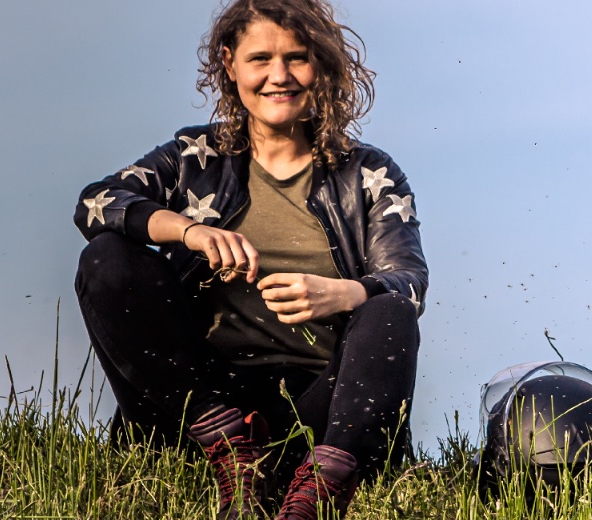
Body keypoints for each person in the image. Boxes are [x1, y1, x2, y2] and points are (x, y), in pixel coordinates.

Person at [70, 0, 423, 517]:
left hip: (319, 410)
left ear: (320, 66)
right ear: (230, 63)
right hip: (197, 403)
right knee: (105, 258)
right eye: (260, 59)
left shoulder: (368, 172)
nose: (278, 76)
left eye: (296, 57)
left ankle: (322, 489)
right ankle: (233, 454)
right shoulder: (195, 155)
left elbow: (409, 280)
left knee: (389, 308)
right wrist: (191, 232)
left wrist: (342, 293)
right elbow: (96, 205)